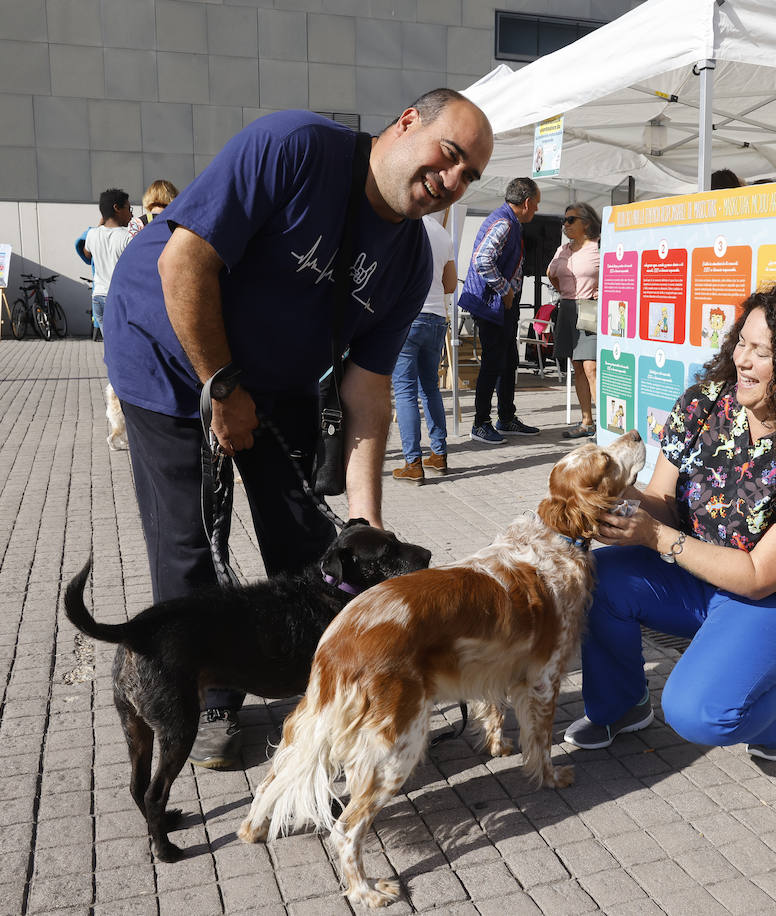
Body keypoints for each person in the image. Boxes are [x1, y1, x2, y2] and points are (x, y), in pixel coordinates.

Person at [103, 89, 493, 768]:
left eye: (470, 177)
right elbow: (183, 263)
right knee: (190, 539)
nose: (453, 181)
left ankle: (332, 679)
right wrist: (221, 387)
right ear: (406, 123)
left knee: (311, 541)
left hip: (276, 381)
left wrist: (367, 527)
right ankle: (212, 693)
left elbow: (369, 395)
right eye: (450, 155)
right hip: (165, 352)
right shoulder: (293, 148)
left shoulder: (409, 262)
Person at [563, 284, 776, 762]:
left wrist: (656, 536)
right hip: (691, 575)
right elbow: (663, 501)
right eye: (741, 342)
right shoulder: (704, 403)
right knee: (596, 576)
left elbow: (758, 577)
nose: (742, 360)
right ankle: (621, 705)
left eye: (762, 352)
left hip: (773, 599)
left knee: (699, 713)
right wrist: (619, 497)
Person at [458, 177, 541, 444]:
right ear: (526, 202)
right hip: (492, 303)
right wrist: (505, 289)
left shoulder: (508, 221)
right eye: (536, 204)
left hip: (501, 304)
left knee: (507, 362)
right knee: (493, 363)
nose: (537, 210)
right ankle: (480, 423)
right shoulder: (505, 223)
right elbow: (482, 259)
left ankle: (506, 418)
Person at [391, 211, 456, 483]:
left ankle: (412, 462)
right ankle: (438, 455)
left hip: (407, 317)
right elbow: (450, 284)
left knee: (405, 391)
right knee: (430, 387)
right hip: (436, 318)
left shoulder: (402, 227)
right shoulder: (442, 233)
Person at [548, 201, 601, 439]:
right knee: (577, 366)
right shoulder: (563, 250)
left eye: (571, 220)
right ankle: (587, 421)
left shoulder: (599, 247)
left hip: (590, 306)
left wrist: (597, 294)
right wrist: (565, 293)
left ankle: (605, 424)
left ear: (587, 222)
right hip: (568, 307)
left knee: (591, 367)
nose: (565, 224)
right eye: (564, 220)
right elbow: (552, 275)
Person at [82, 188, 136, 341]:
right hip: (118, 298)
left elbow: (87, 254)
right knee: (125, 345)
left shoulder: (92, 234)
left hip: (98, 297)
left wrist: (102, 222)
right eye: (128, 208)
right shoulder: (127, 238)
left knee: (112, 346)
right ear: (117, 208)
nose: (131, 214)